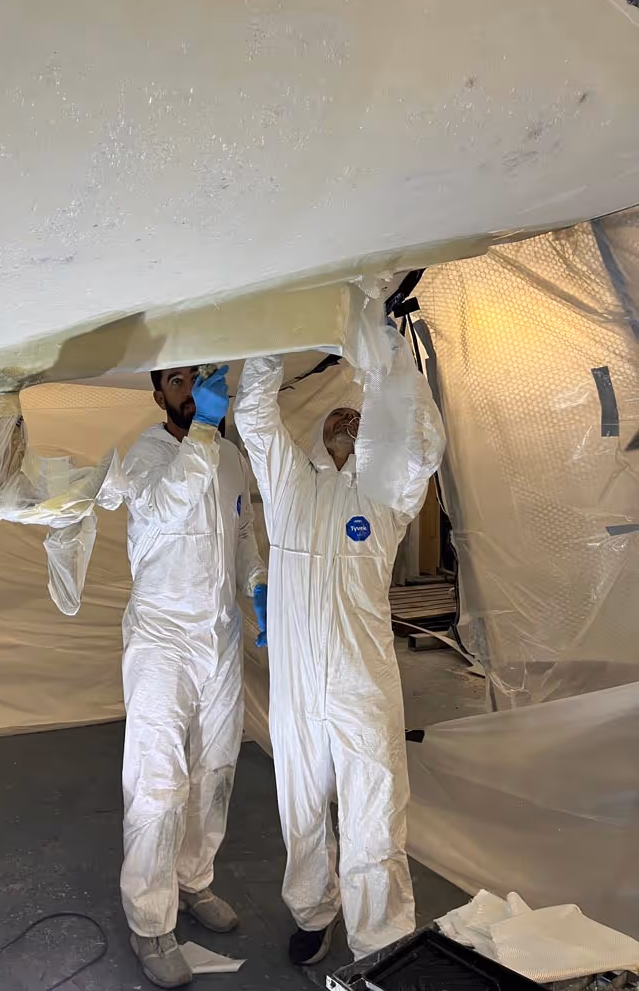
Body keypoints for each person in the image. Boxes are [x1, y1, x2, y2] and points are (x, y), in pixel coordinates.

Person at [234, 353, 444, 964]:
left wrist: (386, 364)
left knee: (374, 808)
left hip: (361, 681)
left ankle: (381, 941)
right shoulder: (290, 484)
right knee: (300, 807)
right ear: (318, 434)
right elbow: (253, 415)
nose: (347, 420)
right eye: (336, 415)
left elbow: (422, 447)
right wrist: (272, 343)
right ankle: (313, 910)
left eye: (358, 416)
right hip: (298, 683)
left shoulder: (385, 496)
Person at [121, 364, 268, 989]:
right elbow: (166, 504)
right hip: (162, 637)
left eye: (199, 379)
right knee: (158, 780)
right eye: (177, 383)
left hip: (219, 634)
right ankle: (150, 920)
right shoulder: (145, 456)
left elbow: (242, 531)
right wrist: (205, 428)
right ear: (158, 394)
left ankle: (193, 879)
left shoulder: (231, 458)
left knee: (216, 768)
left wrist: (256, 584)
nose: (190, 392)